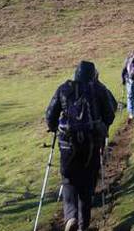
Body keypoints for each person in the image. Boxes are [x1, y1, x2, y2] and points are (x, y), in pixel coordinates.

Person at [45, 61, 117, 231]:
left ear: (76, 74)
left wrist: (55, 127)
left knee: (69, 181)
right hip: (91, 146)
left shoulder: (64, 89)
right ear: (93, 75)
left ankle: (70, 217)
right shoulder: (98, 90)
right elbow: (110, 115)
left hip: (67, 145)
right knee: (86, 186)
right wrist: (101, 126)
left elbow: (50, 116)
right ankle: (83, 226)